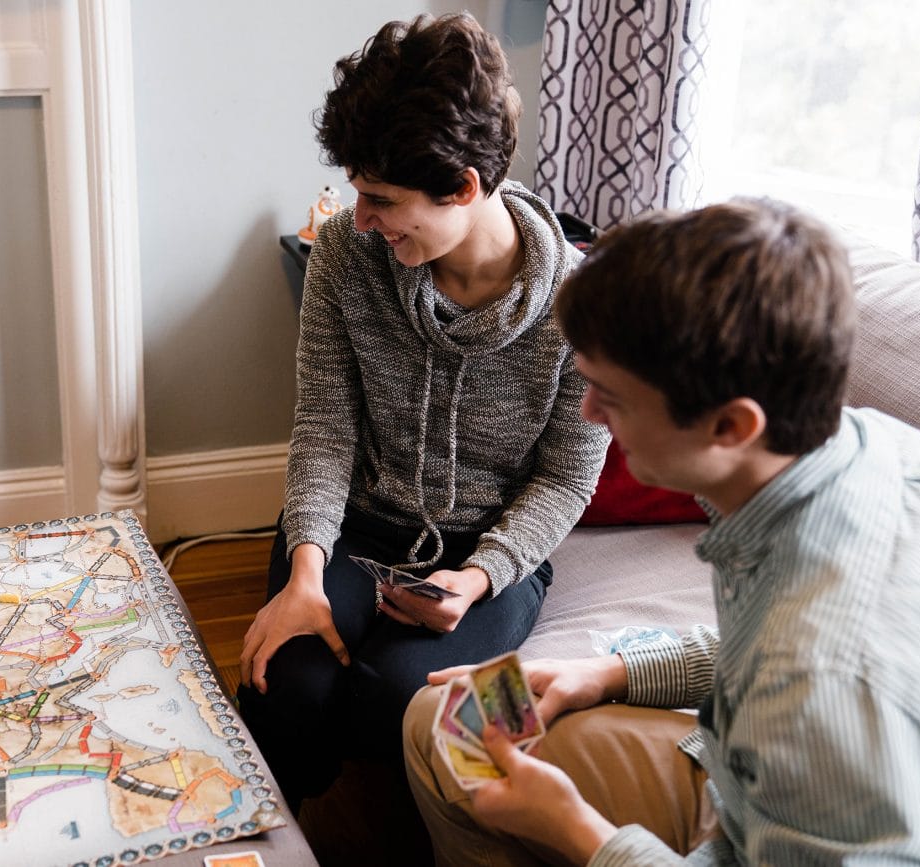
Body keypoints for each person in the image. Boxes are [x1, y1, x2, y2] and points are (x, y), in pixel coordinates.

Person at [403, 199, 920, 864]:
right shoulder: (883, 457)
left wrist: (574, 826)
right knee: (451, 716)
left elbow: (809, 663)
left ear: (731, 426)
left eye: (613, 395)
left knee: (463, 751)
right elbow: (770, 639)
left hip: (765, 831)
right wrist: (608, 672)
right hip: (747, 782)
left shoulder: (825, 683)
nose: (587, 411)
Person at [237, 12, 610, 812]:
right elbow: (325, 429)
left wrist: (479, 578)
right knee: (284, 682)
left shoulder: (582, 304)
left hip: (490, 553)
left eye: (380, 198)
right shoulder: (345, 255)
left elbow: (568, 479)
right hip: (355, 527)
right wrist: (307, 569)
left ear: (463, 189)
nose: (358, 215)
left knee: (407, 697)